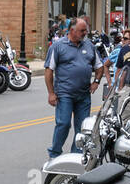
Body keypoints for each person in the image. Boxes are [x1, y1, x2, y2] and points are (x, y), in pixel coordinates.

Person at [44, 16, 104, 159]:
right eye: (82, 31)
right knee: (63, 124)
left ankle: (76, 156)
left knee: (82, 127)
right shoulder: (58, 46)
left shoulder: (89, 45)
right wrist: (51, 93)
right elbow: (49, 70)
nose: (85, 33)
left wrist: (96, 81)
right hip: (65, 93)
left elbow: (99, 66)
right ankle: (54, 154)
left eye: (86, 30)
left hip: (83, 94)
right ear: (72, 30)